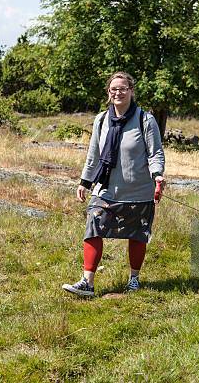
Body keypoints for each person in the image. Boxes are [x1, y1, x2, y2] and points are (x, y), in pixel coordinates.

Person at [62, 71, 165, 297]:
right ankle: (87, 282)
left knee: (137, 234)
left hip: (139, 191)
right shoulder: (101, 120)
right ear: (109, 93)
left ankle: (134, 280)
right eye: (114, 89)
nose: (118, 92)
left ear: (131, 91)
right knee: (94, 224)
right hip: (106, 188)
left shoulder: (145, 120)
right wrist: (84, 182)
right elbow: (93, 155)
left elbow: (155, 152)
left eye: (123, 89)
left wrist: (157, 175)